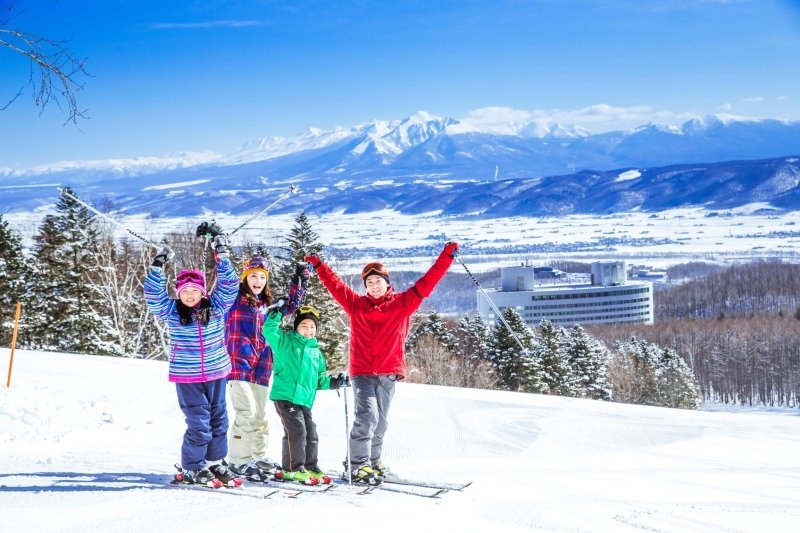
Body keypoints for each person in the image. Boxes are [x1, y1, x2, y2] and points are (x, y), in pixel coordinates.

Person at [305, 242, 459, 485]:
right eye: (369, 283)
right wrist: (320, 265)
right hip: (362, 372)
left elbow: (427, 283)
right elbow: (335, 286)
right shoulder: (357, 305)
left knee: (381, 422)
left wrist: (446, 257)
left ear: (387, 282)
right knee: (367, 416)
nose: (374, 286)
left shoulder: (402, 304)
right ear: (365, 287)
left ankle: (373, 463)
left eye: (378, 281)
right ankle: (357, 466)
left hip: (388, 372)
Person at [143, 222, 241, 487]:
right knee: (199, 422)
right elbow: (153, 296)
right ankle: (192, 466)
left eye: (194, 290)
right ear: (178, 293)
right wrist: (157, 267)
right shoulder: (173, 312)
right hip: (187, 377)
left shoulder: (216, 307)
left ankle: (215, 463)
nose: (189, 295)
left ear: (203, 292)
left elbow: (230, 285)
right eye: (184, 291)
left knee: (219, 419)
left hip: (217, 372)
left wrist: (222, 255)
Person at [224, 256, 308, 480]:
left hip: (262, 366)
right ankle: (238, 461)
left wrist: (300, 280)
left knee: (260, 416)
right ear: (245, 277)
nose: (258, 280)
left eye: (262, 276)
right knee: (246, 412)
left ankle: (256, 457)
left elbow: (292, 306)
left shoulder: (268, 305)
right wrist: (219, 251)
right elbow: (225, 280)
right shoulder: (233, 297)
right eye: (253, 276)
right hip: (237, 364)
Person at [263, 304, 348, 485]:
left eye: (312, 327)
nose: (308, 330)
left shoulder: (316, 353)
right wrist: (278, 313)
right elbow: (269, 330)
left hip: (304, 401)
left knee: (311, 432)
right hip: (285, 396)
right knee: (297, 431)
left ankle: (309, 466)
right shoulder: (284, 341)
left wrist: (335, 382)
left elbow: (319, 380)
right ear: (296, 327)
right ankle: (292, 469)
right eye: (304, 326)